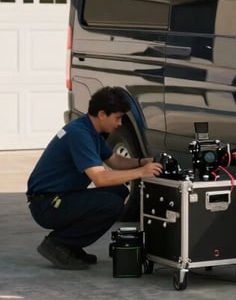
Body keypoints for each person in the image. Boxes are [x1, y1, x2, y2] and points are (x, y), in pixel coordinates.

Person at [27, 87, 163, 270]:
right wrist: (141, 172)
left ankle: (71, 245)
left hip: (61, 196)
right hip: (48, 204)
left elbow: (114, 160)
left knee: (119, 191)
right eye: (117, 118)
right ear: (101, 114)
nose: (119, 123)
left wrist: (140, 162)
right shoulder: (80, 135)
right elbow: (100, 178)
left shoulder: (89, 128)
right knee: (111, 205)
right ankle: (59, 244)